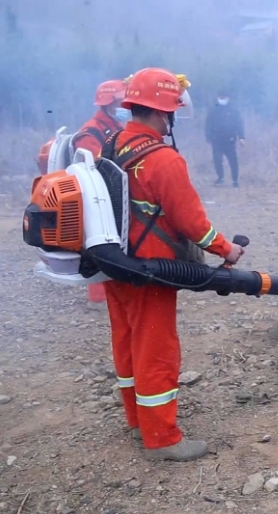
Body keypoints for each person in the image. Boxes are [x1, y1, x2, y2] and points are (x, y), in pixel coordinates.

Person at [103, 67, 245, 461]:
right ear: (163, 111)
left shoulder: (113, 143)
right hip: (152, 270)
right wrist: (225, 249)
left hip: (115, 263)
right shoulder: (163, 159)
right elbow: (190, 220)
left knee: (128, 342)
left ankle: (137, 420)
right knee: (156, 350)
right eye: (172, 111)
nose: (173, 119)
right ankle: (161, 439)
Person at [72, 78, 132, 310]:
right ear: (107, 104)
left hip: (114, 194)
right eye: (120, 101)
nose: (124, 106)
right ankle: (98, 298)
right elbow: (98, 167)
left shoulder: (115, 126)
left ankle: (117, 290)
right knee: (101, 244)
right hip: (99, 197)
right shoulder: (91, 132)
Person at [204, 91, 245, 187]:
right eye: (220, 97)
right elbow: (208, 124)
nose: (222, 99)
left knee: (233, 160)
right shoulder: (213, 110)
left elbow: (239, 124)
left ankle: (235, 180)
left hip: (230, 139)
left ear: (228, 98)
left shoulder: (233, 111)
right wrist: (208, 136)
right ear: (218, 97)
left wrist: (241, 137)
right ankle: (220, 178)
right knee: (217, 160)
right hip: (216, 140)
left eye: (224, 97)